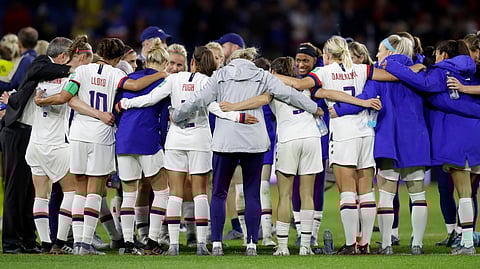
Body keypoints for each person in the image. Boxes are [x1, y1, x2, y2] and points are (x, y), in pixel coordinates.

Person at [171, 47, 322, 256]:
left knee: (219, 193)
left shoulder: (220, 75)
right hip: (254, 140)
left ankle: (216, 244)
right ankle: (251, 243)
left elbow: (199, 99)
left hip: (226, 140)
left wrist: (178, 114)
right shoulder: (261, 75)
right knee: (252, 193)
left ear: (231, 61)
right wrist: (314, 108)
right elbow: (289, 94)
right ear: (251, 60)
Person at [118, 46, 258, 256]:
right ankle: (201, 244)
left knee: (174, 194)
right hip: (199, 138)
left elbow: (151, 98)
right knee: (200, 193)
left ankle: (173, 245)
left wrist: (126, 103)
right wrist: (238, 117)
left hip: (175, 138)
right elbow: (216, 109)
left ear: (193, 62)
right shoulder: (208, 82)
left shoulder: (175, 79)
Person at [34, 37, 167, 255]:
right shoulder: (117, 74)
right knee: (94, 191)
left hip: (77, 134)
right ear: (118, 58)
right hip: (101, 135)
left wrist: (42, 101)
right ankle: (85, 243)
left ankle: (77, 243)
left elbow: (66, 97)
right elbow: (133, 85)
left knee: (79, 191)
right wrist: (160, 74)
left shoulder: (81, 71)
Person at [275, 35, 391, 255]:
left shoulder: (323, 72)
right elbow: (389, 77)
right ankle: (364, 244)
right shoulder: (361, 68)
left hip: (343, 133)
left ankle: (350, 244)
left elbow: (299, 84)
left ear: (326, 54)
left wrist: (270, 75)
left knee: (347, 191)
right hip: (366, 132)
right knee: (366, 191)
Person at [334, 34, 430, 255]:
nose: (376, 55)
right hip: (416, 137)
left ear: (389, 52)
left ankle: (386, 244)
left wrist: (338, 109)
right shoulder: (419, 70)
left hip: (389, 137)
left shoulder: (379, 74)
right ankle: (417, 245)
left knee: (386, 195)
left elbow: (365, 99)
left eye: (379, 50)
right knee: (418, 195)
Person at [220, 56, 323, 256]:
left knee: (284, 195)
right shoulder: (307, 84)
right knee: (307, 194)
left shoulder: (272, 84)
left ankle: (283, 246)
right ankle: (305, 246)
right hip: (312, 138)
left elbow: (261, 100)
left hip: (288, 140)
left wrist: (233, 106)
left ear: (274, 72)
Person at [384, 39, 480, 255]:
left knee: (463, 192)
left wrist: (391, 64)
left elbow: (423, 85)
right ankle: (466, 239)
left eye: (437, 54)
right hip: (475, 135)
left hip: (456, 137)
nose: (435, 59)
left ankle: (467, 243)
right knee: (468, 192)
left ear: (444, 54)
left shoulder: (443, 71)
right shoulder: (472, 70)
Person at [23, 36, 94, 254]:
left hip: (35, 144)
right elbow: (69, 100)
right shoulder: (69, 79)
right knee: (72, 191)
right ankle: (60, 242)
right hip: (57, 145)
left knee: (40, 195)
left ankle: (45, 243)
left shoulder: (41, 77)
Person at [113, 40, 170, 256]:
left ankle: (128, 243)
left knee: (129, 193)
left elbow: (117, 109)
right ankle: (151, 242)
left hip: (125, 138)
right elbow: (164, 116)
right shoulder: (163, 83)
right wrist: (164, 142)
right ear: (164, 62)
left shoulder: (127, 79)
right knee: (162, 191)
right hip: (148, 138)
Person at [0, 26, 41, 254]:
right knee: (18, 188)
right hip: (17, 129)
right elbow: (18, 88)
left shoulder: (28, 61)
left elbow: (13, 87)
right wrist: (12, 100)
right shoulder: (32, 63)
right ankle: (12, 241)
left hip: (27, 130)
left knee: (26, 189)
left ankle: (25, 239)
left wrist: (11, 98)